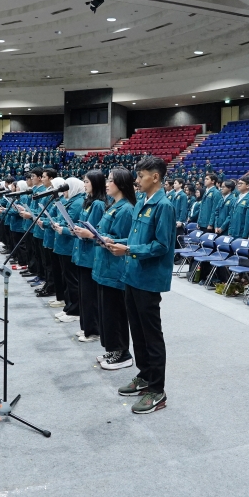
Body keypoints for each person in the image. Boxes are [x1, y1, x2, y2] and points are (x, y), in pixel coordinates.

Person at [103, 156, 175, 414]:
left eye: (142, 175)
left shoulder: (163, 205)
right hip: (132, 275)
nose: (137, 180)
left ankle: (157, 390)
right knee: (138, 331)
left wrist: (129, 249)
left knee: (151, 335)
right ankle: (144, 376)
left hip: (148, 278)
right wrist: (114, 241)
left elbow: (162, 245)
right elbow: (134, 237)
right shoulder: (142, 202)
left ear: (155, 177)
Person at [87, 167, 137, 370]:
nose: (106, 183)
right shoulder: (114, 206)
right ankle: (111, 349)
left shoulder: (126, 209)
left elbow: (129, 241)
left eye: (110, 180)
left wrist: (108, 239)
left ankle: (122, 353)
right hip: (104, 267)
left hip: (115, 269)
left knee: (115, 313)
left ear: (121, 183)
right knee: (106, 312)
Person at [52, 178, 87, 327]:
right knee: (66, 279)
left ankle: (75, 310)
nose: (64, 192)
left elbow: (73, 224)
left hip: (69, 245)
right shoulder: (71, 200)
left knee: (72, 280)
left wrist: (62, 228)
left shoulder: (77, 202)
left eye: (66, 189)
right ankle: (68, 306)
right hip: (63, 244)